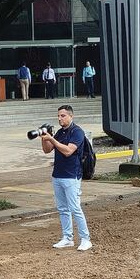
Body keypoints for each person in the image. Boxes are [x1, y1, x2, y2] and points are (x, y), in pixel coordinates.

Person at [39, 104, 92, 252]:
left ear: (71, 116)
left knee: (75, 208)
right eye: (58, 116)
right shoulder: (60, 133)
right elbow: (47, 150)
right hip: (58, 175)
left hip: (71, 176)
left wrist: (52, 139)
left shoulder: (77, 132)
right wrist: (44, 138)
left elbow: (68, 151)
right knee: (63, 208)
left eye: (63, 116)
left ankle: (85, 239)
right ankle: (67, 238)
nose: (60, 118)